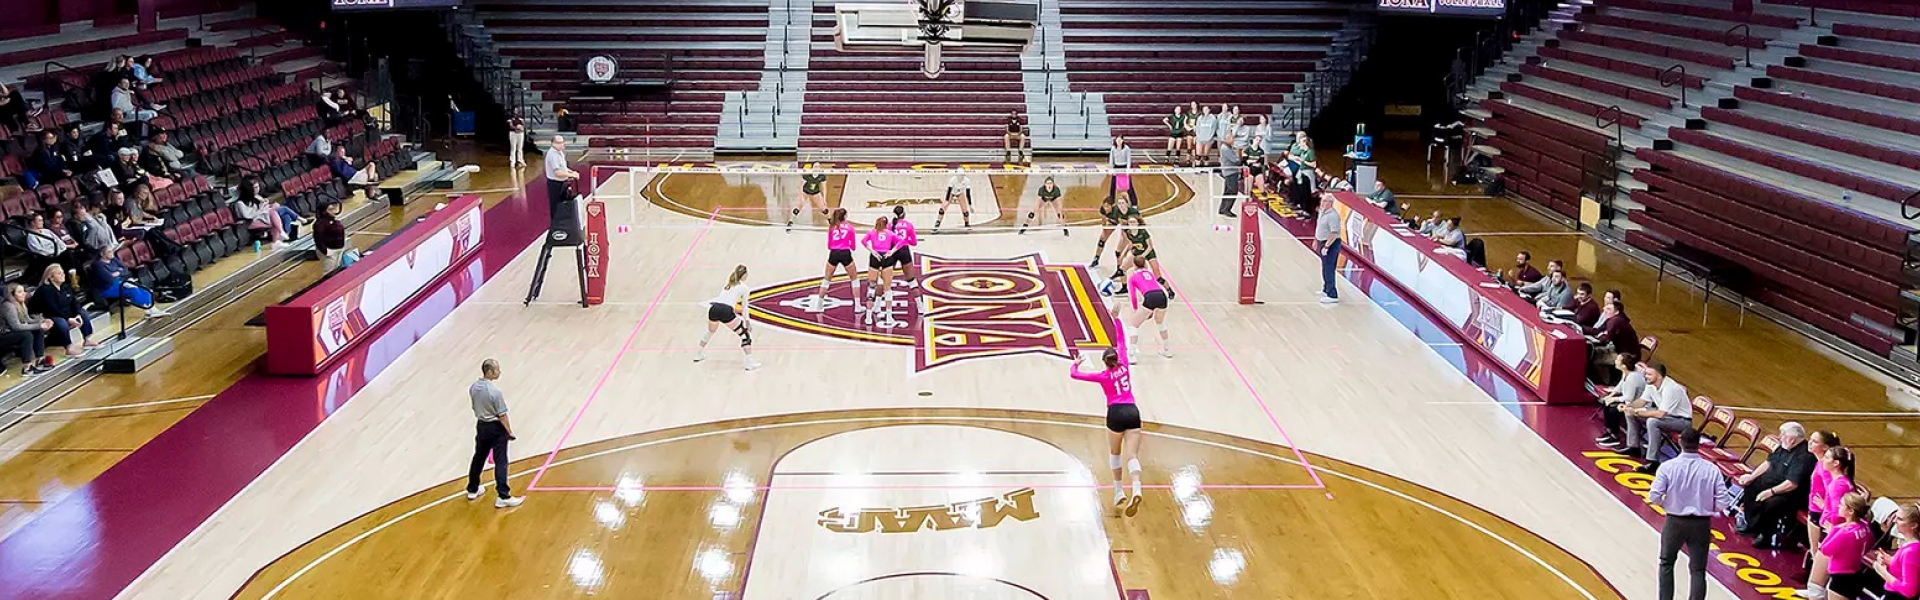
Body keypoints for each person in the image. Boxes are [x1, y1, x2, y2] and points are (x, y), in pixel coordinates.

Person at [1649, 428, 1731, 600]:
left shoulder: (1668, 467)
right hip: (1701, 524)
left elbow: (1654, 496)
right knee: (1698, 570)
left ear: (1680, 442)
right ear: (1699, 444)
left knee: (1666, 563)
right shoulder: (1711, 469)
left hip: (1674, 521)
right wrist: (1708, 508)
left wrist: (1668, 505)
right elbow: (1724, 501)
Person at [1071, 346, 1144, 516]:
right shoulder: (1124, 365)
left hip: (1115, 412)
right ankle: (1137, 487)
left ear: (1104, 362)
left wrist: (1076, 364)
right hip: (1132, 410)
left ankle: (1119, 491)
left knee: (1115, 453)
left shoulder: (1103, 376)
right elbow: (1122, 341)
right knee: (1132, 455)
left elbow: (1074, 374)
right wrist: (1117, 327)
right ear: (1117, 358)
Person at [1737, 422, 1817, 547]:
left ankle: (1766, 535)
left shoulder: (1805, 457)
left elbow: (1792, 484)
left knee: (1772, 503)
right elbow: (1768, 463)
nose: (1780, 437)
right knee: (1751, 486)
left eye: (1783, 435)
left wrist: (1771, 492)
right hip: (1773, 483)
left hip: (1791, 494)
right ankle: (1753, 525)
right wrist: (1751, 477)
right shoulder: (1783, 446)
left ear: (1792, 439)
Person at [465, 359, 524, 508]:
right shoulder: (495, 392)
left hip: (481, 425)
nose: (499, 372)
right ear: (490, 372)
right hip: (496, 428)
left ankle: (472, 489)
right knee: (501, 461)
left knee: (479, 457)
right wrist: (509, 432)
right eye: (497, 369)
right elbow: (502, 415)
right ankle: (503, 495)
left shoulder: (473, 387)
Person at [1615, 361, 1689, 472]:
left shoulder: (1671, 389)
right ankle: (1633, 447)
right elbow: (1642, 401)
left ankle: (1653, 461)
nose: (1646, 376)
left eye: (1649, 374)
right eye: (1646, 374)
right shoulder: (1650, 385)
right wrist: (1628, 407)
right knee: (1630, 413)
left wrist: (1636, 412)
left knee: (1652, 421)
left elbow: (1660, 414)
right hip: (1666, 415)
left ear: (1659, 376)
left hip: (1681, 421)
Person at [1802, 493, 1875, 600]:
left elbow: (1825, 550)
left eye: (1841, 504)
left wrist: (1832, 531)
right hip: (1856, 573)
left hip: (1841, 578)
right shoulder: (1864, 526)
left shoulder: (1844, 532)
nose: (1838, 506)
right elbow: (1870, 542)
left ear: (1851, 511)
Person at [695, 265, 760, 371]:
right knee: (745, 335)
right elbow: (744, 307)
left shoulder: (729, 284)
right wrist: (747, 321)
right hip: (726, 311)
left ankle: (698, 354)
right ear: (744, 275)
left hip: (714, 309)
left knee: (710, 331)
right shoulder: (744, 288)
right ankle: (749, 362)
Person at [31, 264, 95, 357]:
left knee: (82, 312)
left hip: (62, 312)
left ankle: (87, 339)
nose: (63, 275)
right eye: (59, 273)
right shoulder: (45, 290)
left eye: (63, 273)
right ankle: (68, 347)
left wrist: (77, 314)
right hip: (45, 315)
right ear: (51, 277)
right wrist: (68, 319)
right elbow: (52, 309)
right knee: (61, 321)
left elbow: (74, 302)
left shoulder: (65, 286)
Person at [1116, 255, 1172, 359]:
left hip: (1150, 297)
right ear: (1145, 264)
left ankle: (1132, 355)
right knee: (1160, 323)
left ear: (1134, 265)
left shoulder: (1132, 277)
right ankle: (1167, 350)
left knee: (1134, 325)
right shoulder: (1150, 273)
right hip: (1162, 295)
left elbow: (1133, 296)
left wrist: (1135, 309)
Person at [83, 251, 169, 318]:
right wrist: (119, 272)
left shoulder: (114, 259)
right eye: (109, 252)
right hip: (107, 288)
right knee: (133, 290)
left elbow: (125, 269)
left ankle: (152, 309)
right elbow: (109, 278)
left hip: (119, 282)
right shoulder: (97, 265)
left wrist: (118, 272)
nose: (112, 253)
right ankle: (148, 309)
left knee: (143, 288)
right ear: (102, 254)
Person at [809, 208, 861, 314]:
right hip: (845, 253)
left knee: (827, 279)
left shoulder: (832, 227)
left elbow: (829, 245)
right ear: (844, 216)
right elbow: (853, 246)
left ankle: (819, 305)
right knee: (854, 278)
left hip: (834, 253)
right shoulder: (850, 228)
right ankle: (857, 306)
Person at [1806, 431, 1845, 570]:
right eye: (1810, 439)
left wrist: (1825, 505)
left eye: (1815, 441)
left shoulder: (1825, 466)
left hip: (1819, 511)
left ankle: (1816, 575)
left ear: (1825, 447)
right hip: (1814, 508)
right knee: (1814, 549)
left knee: (1817, 550)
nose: (1810, 443)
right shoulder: (1820, 463)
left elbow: (1832, 488)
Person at [1595, 352, 1647, 446]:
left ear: (1623, 366)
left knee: (1613, 410)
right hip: (1628, 401)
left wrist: (1614, 399)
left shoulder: (1632, 378)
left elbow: (1629, 397)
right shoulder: (1626, 372)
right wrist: (1610, 396)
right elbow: (1620, 386)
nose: (1615, 361)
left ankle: (1615, 436)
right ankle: (1609, 431)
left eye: (1617, 360)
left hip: (1636, 404)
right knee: (1607, 404)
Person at [1870, 503, 1920, 600]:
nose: (1894, 521)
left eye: (1900, 519)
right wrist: (1890, 560)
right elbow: (1905, 568)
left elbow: (1909, 590)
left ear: (1914, 525)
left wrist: (1883, 572)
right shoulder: (1908, 545)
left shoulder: (1911, 551)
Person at [1587, 300, 1639, 381]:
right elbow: (1597, 331)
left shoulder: (1615, 321)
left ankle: (1606, 382)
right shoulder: (1612, 318)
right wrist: (1580, 328)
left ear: (1616, 312)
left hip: (1628, 356)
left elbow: (1606, 340)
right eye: (1605, 307)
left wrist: (1600, 336)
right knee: (1596, 353)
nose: (1604, 309)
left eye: (1608, 309)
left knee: (1595, 360)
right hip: (1619, 349)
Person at [861, 216, 899, 326]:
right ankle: (889, 316)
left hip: (875, 257)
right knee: (887, 288)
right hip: (887, 257)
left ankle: (868, 316)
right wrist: (892, 251)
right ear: (886, 224)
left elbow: (863, 241)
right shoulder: (890, 233)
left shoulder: (872, 232)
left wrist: (872, 251)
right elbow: (900, 242)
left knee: (872, 286)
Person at [1316, 194, 1342, 304]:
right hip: (1322, 241)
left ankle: (1332, 294)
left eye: (1325, 201)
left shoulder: (1333, 216)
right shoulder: (1322, 211)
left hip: (1331, 244)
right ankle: (1326, 289)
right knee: (1325, 267)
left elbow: (1334, 233)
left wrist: (1326, 246)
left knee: (1329, 268)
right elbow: (1319, 227)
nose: (1323, 203)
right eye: (1322, 200)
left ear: (1331, 203)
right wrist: (1316, 240)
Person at [544, 135, 579, 208]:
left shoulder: (559, 152)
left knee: (563, 205)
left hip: (562, 183)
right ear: (553, 143)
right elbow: (557, 173)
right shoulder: (553, 155)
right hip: (555, 184)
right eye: (559, 143)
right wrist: (572, 175)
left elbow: (563, 168)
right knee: (557, 206)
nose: (561, 144)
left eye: (562, 142)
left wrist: (571, 172)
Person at [790, 164, 828, 231]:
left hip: (816, 193)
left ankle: (831, 222)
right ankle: (790, 222)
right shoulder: (807, 174)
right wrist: (801, 197)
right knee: (798, 207)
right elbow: (801, 186)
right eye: (815, 166)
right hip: (805, 192)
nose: (817, 168)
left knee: (824, 209)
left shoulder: (822, 176)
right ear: (812, 168)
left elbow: (824, 188)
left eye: (818, 167)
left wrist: (824, 199)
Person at [314, 201, 349, 272]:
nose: (333, 211)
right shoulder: (320, 224)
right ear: (324, 212)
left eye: (333, 209)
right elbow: (318, 239)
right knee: (329, 272)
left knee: (337, 270)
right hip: (329, 251)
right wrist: (326, 251)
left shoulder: (334, 221)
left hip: (339, 249)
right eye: (330, 209)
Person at [890, 205, 919, 284]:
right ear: (904, 214)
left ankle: (876, 292)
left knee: (885, 279)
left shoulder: (889, 225)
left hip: (892, 250)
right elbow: (914, 243)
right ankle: (916, 292)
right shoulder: (909, 225)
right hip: (904, 250)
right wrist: (905, 240)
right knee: (911, 280)